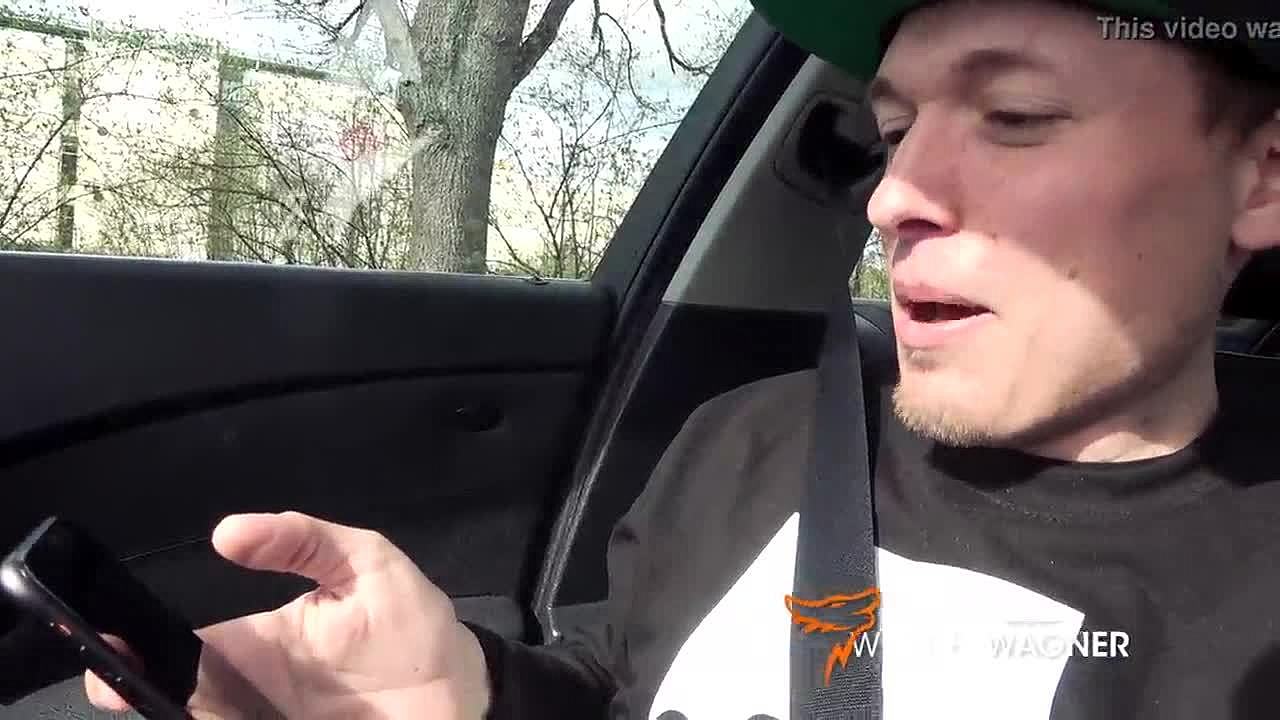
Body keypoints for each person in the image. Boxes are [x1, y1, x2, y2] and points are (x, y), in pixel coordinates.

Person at [87, 0, 1280, 717]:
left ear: (1259, 177)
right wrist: (473, 692)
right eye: (894, 131)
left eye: (1015, 117)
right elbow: (625, 683)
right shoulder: (756, 440)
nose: (893, 195)